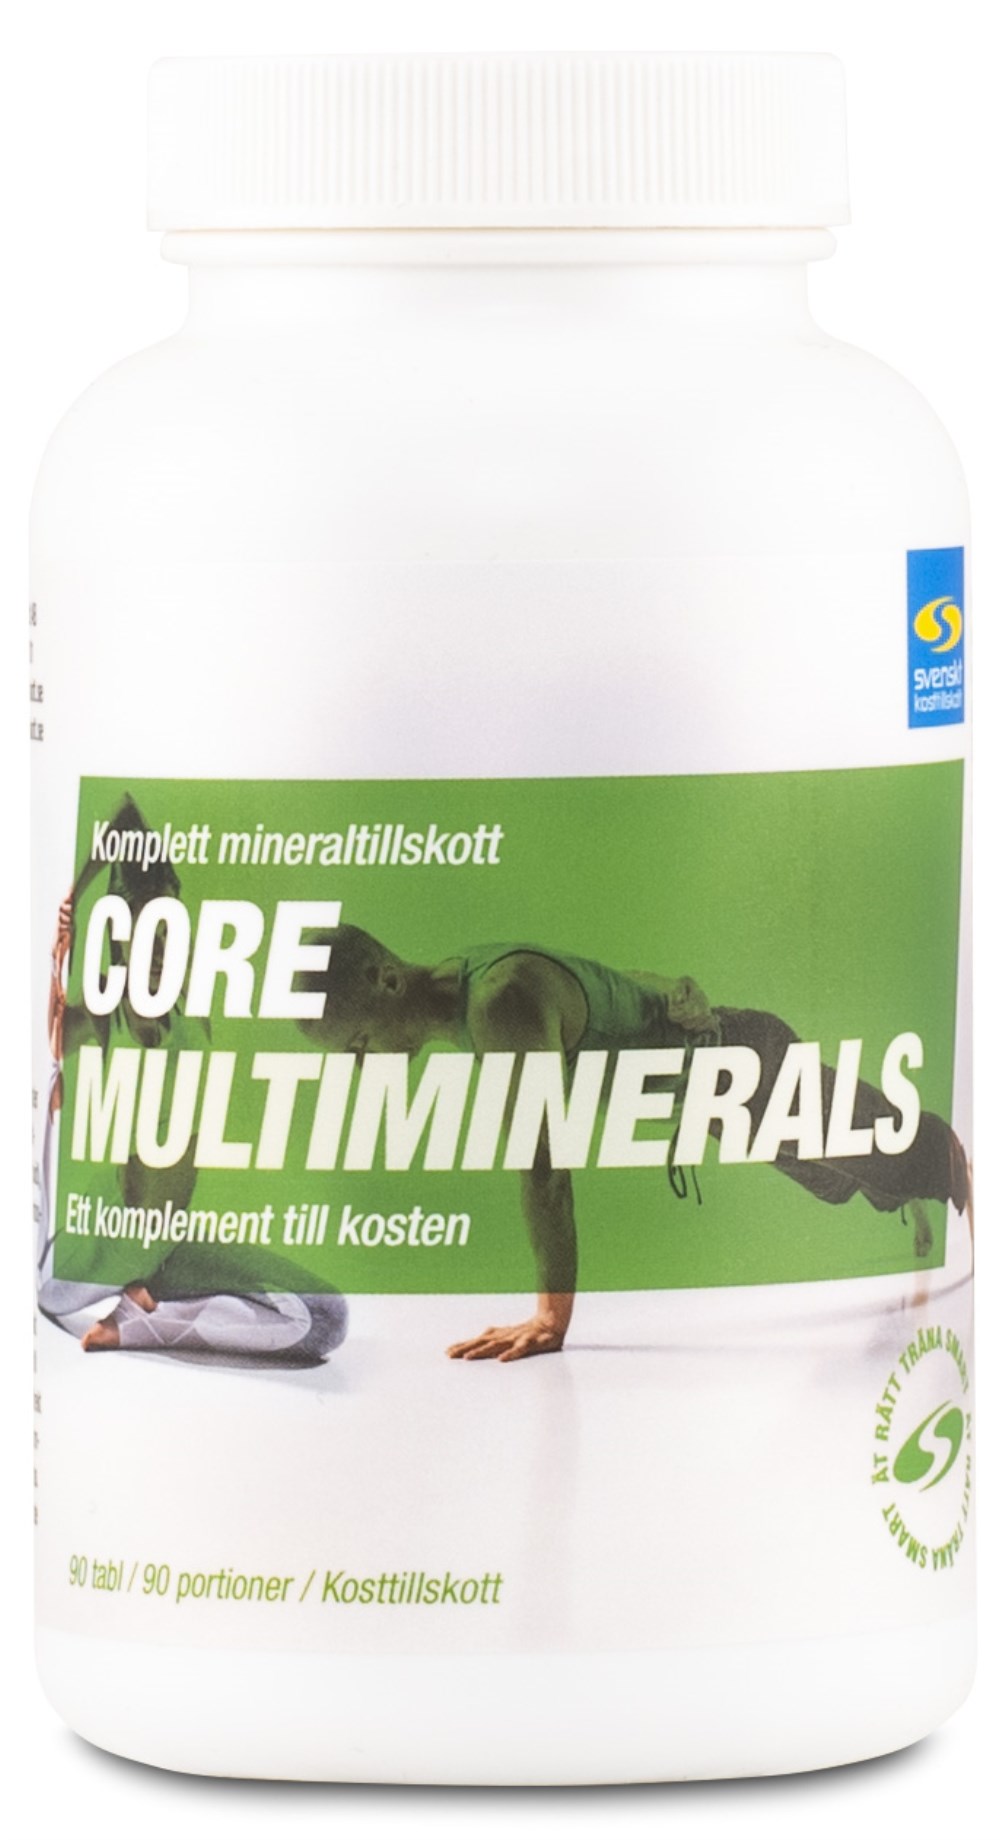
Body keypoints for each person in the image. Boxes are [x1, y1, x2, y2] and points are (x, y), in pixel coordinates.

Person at [299, 928, 972, 1363]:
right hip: (719, 1098)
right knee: (837, 1184)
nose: (361, 1064)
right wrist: (669, 987)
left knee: (916, 1157)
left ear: (388, 980)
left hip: (748, 1067)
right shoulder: (467, 974)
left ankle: (952, 1187)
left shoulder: (496, 1002)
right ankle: (906, 1194)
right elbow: (605, 981)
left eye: (357, 1044)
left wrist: (550, 1318)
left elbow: (543, 1164)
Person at [38, 799, 347, 1364]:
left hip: (167, 1246)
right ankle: (138, 1319)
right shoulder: (108, 1009)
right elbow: (54, 1043)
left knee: (327, 1316)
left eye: (168, 927)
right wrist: (69, 912)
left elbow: (129, 822)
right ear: (118, 933)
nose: (159, 946)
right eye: (143, 929)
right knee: (315, 1323)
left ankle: (145, 1310)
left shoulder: (189, 1002)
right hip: (104, 1254)